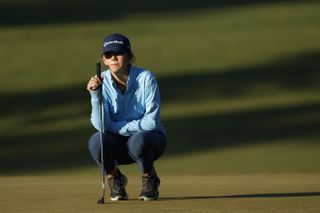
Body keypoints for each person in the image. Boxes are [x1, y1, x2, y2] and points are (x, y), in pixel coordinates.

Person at [86, 33, 167, 201]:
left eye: (119, 53)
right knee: (95, 141)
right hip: (119, 145)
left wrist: (116, 127)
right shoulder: (101, 82)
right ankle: (115, 178)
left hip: (150, 141)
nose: (114, 57)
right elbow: (102, 127)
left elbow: (151, 122)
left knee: (137, 141)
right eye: (108, 54)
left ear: (128, 55)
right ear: (104, 60)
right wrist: (95, 96)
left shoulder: (146, 78)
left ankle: (149, 176)